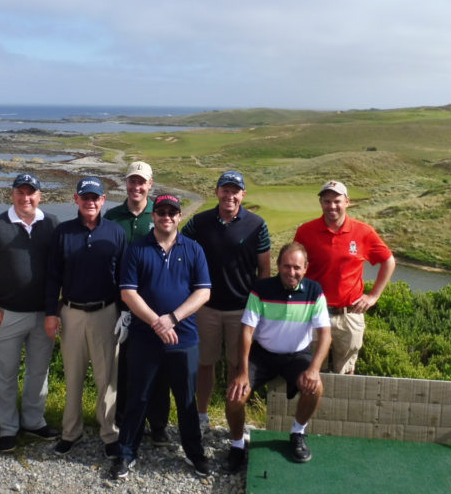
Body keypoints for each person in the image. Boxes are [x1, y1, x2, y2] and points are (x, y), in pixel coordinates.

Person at [112, 194, 213, 480]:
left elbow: (203, 291)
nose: (166, 216)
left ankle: (195, 453)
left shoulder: (193, 249)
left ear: (180, 216)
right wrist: (157, 322)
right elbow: (128, 292)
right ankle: (126, 453)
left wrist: (172, 318)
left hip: (184, 339)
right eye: (161, 212)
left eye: (172, 212)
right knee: (137, 397)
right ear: (153, 216)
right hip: (145, 338)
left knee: (186, 401)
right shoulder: (137, 248)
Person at [223, 242, 331, 471]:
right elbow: (247, 331)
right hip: (262, 354)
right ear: (278, 265)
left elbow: (325, 335)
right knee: (235, 397)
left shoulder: (315, 291)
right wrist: (242, 372)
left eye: (297, 268)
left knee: (315, 388)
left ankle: (297, 432)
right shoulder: (261, 289)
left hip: (296, 355)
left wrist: (314, 369)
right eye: (286, 266)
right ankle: (237, 444)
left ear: (306, 268)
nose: (291, 272)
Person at [180, 170, 271, 428]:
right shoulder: (200, 222)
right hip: (205, 306)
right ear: (217, 192)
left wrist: (259, 308)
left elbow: (264, 270)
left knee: (236, 365)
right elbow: (180, 246)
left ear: (242, 194)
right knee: (205, 362)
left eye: (235, 191)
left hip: (241, 309)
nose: (229, 195)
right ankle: (201, 414)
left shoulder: (257, 224)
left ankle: (234, 419)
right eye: (225, 190)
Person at [0, 173, 62, 452]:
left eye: (31, 193)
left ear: (40, 196)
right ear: (11, 194)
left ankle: (33, 421)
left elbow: (61, 268)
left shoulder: (51, 223)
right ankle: (7, 428)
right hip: (7, 314)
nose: (25, 198)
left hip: (43, 314)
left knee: (38, 372)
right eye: (20, 192)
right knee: (4, 374)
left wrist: (56, 310)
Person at [45, 176, 127, 457]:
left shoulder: (116, 232)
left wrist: (124, 314)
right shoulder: (63, 232)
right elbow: (53, 275)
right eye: (85, 197)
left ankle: (109, 433)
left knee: (107, 378)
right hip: (71, 313)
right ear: (76, 200)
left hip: (106, 312)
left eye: (95, 197)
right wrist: (50, 314)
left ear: (103, 200)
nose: (90, 202)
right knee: (74, 376)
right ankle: (71, 432)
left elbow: (123, 278)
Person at [293, 180, 395, 374]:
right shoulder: (306, 231)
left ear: (347, 202)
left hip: (349, 315)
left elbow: (388, 261)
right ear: (321, 203)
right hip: (313, 313)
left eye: (337, 201)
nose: (332, 206)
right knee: (311, 371)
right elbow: (294, 268)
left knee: (346, 373)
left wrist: (373, 296)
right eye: (327, 201)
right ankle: (314, 406)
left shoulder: (363, 231)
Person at [104, 161, 171, 446]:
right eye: (132, 181)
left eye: (141, 182)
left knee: (158, 367)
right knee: (125, 369)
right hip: (120, 306)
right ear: (126, 183)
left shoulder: (160, 214)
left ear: (150, 184)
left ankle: (158, 425)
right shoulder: (112, 216)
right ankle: (124, 421)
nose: (136, 187)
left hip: (154, 305)